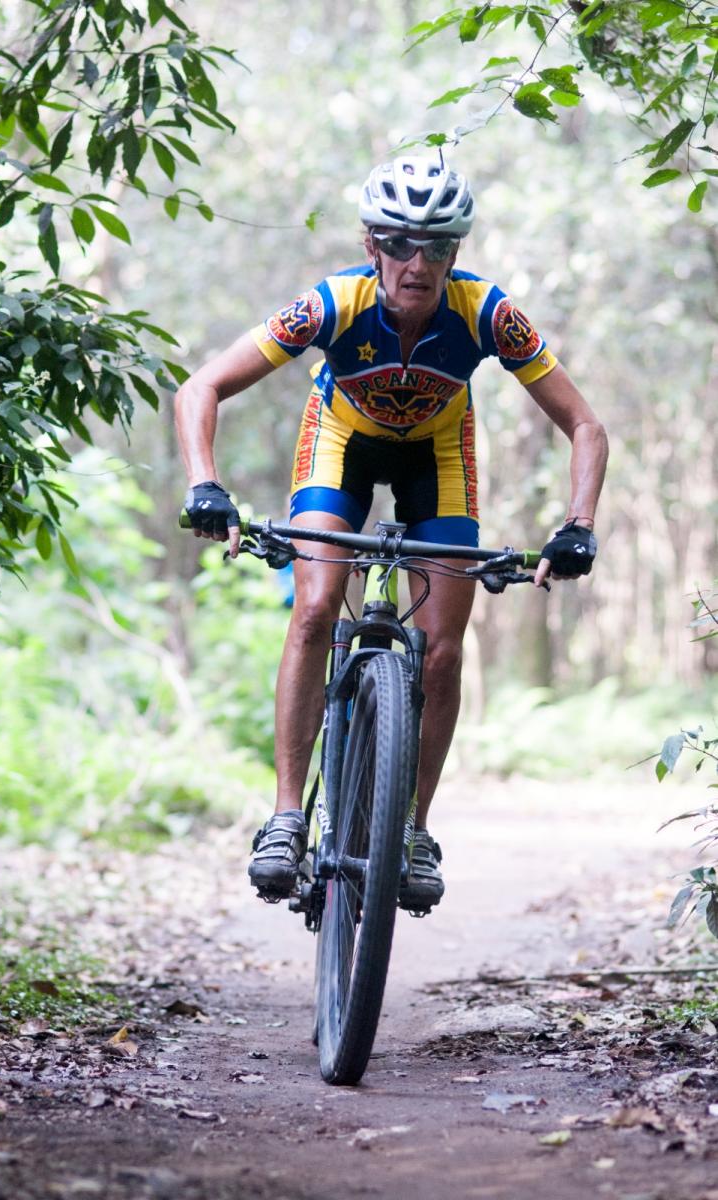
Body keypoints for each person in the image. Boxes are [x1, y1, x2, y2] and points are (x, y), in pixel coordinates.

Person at [175, 153, 608, 911]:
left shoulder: (486, 314)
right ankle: (284, 815)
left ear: (456, 253)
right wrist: (205, 484)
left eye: (437, 245)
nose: (418, 262)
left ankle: (414, 831)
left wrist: (578, 526)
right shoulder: (330, 305)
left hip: (437, 456)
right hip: (338, 444)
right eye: (401, 243)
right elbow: (200, 386)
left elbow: (585, 427)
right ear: (371, 244)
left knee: (441, 648)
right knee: (315, 607)